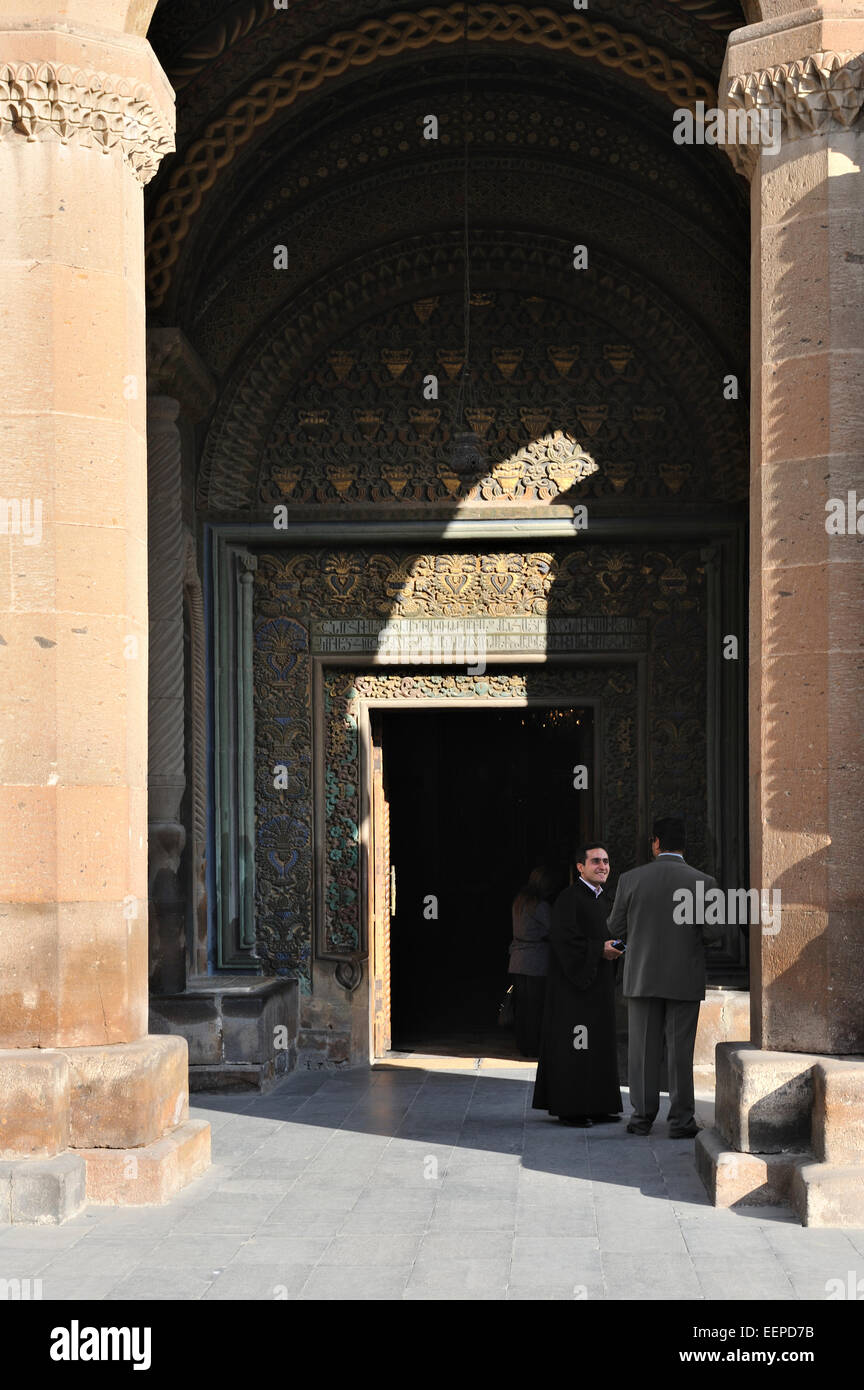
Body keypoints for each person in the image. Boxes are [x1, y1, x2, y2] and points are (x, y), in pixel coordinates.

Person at [606, 816, 720, 1139]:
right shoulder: (705, 882)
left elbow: (614, 928)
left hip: (641, 977)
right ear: (684, 844)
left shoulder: (630, 879)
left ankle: (642, 1117)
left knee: (642, 1051)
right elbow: (716, 932)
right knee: (680, 1052)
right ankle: (681, 1121)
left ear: (656, 843)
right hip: (684, 978)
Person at [532, 843, 623, 1127]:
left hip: (597, 986)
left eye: (606, 861)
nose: (603, 866)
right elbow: (564, 941)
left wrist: (615, 947)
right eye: (596, 861)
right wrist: (599, 950)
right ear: (580, 867)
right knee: (576, 1047)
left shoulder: (602, 899)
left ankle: (598, 1105)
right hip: (573, 991)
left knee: (598, 1046)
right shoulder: (569, 898)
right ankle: (572, 1108)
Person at [508, 866, 562, 1057]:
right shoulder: (540, 906)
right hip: (537, 961)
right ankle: (534, 1046)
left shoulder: (519, 902)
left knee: (522, 1006)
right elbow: (554, 929)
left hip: (517, 960)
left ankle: (523, 1044)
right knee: (536, 1007)